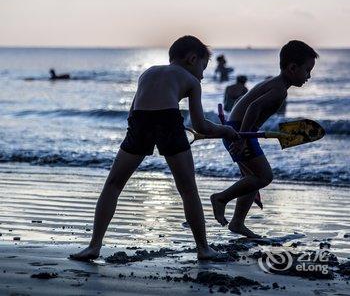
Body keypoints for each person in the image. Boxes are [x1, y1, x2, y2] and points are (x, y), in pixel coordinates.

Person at [70, 35, 239, 261]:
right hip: (168, 119)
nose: (202, 74)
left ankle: (94, 246)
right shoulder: (191, 81)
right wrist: (225, 131)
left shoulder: (147, 73)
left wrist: (144, 131)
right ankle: (203, 249)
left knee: (113, 184)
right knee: (187, 189)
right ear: (192, 59)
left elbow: (132, 113)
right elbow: (200, 126)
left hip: (140, 122)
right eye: (203, 67)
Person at [210, 40, 318, 238]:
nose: (309, 76)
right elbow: (253, 108)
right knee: (265, 176)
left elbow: (250, 108)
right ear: (292, 68)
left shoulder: (273, 84)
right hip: (241, 132)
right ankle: (220, 199)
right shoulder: (279, 90)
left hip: (240, 130)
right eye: (307, 70)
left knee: (253, 178)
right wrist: (241, 138)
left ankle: (237, 223)